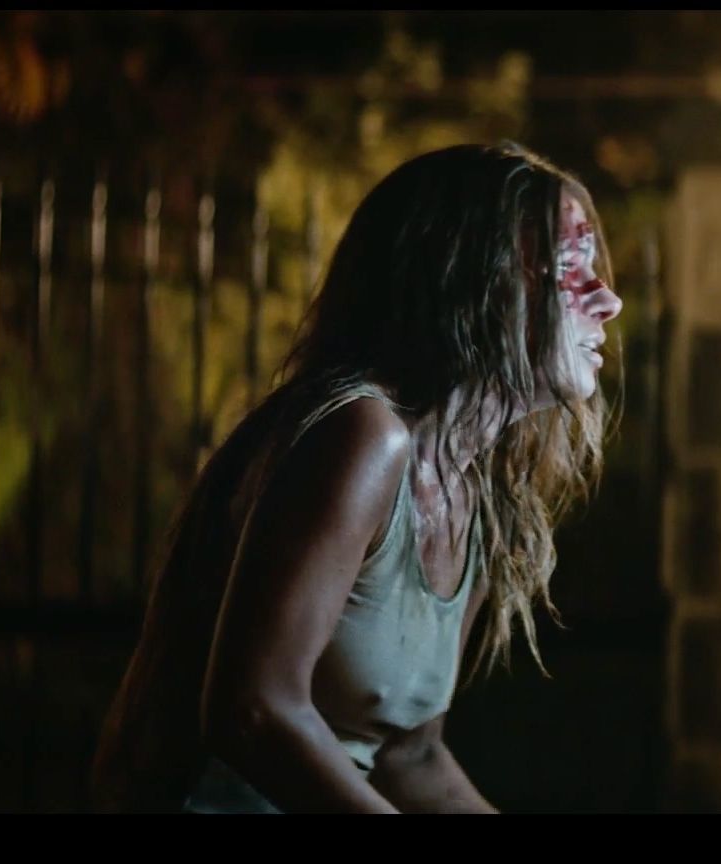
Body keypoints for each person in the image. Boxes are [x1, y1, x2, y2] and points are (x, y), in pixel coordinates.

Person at [89, 142, 623, 813]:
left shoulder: (480, 493)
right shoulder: (363, 437)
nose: (608, 299)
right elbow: (253, 711)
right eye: (568, 264)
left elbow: (410, 754)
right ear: (470, 278)